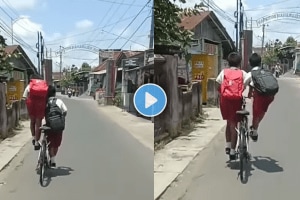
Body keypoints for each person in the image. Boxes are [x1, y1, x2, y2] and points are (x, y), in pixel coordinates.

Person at [216, 52, 248, 160]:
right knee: (234, 124)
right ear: (239, 63)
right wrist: (242, 90)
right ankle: (233, 151)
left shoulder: (223, 72)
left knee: (229, 122)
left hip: (225, 100)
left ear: (228, 62)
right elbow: (248, 83)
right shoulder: (242, 73)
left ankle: (228, 146)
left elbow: (217, 84)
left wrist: (222, 94)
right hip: (236, 101)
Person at [244, 53, 276, 142]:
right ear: (260, 63)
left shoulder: (251, 74)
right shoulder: (266, 71)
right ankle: (255, 126)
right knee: (262, 111)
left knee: (256, 114)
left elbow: (243, 85)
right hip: (270, 95)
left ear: (250, 63)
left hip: (260, 96)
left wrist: (247, 93)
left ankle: (254, 131)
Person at [22, 74, 48, 150]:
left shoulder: (30, 85)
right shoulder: (43, 84)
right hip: (41, 104)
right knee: (38, 123)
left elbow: (24, 96)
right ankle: (37, 142)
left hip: (31, 104)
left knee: (32, 121)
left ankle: (33, 137)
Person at [45, 85, 67, 167]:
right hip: (58, 125)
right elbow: (65, 111)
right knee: (56, 143)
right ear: (54, 93)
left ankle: (52, 158)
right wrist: (61, 118)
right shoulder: (59, 101)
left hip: (48, 125)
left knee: (50, 142)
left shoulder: (45, 102)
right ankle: (53, 159)